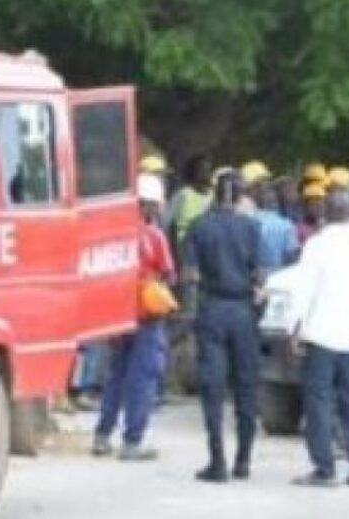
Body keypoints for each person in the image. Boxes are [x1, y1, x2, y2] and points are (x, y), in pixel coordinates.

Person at [287, 189, 349, 488]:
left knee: (318, 403)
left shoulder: (317, 245)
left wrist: (294, 327)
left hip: (321, 335)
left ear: (325, 214)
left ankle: (324, 468)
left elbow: (304, 289)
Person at [185, 167, 262, 483]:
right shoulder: (251, 227)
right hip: (244, 311)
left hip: (213, 308)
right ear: (241, 195)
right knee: (246, 385)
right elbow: (259, 276)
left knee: (212, 387)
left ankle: (217, 459)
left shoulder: (199, 226)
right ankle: (243, 460)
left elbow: (189, 275)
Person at [94, 173, 176, 461]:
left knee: (116, 374)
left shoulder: (113, 233)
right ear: (148, 205)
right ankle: (133, 441)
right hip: (147, 316)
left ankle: (102, 435)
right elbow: (169, 273)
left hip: (118, 314)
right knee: (142, 377)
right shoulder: (153, 235)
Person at [253, 183, 300, 277]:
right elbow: (292, 258)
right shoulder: (286, 225)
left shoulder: (248, 222)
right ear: (276, 201)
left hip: (255, 280)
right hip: (280, 279)